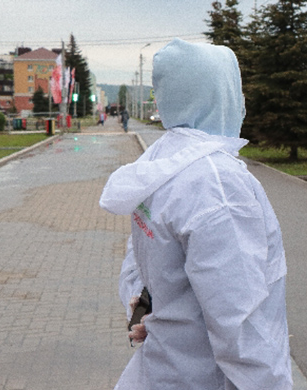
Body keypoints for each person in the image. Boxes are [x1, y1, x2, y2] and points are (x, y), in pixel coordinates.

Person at [100, 39, 293, 389]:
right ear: (221, 94)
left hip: (163, 368)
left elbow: (144, 262)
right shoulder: (217, 185)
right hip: (206, 377)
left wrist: (143, 307)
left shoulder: (162, 163)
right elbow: (239, 322)